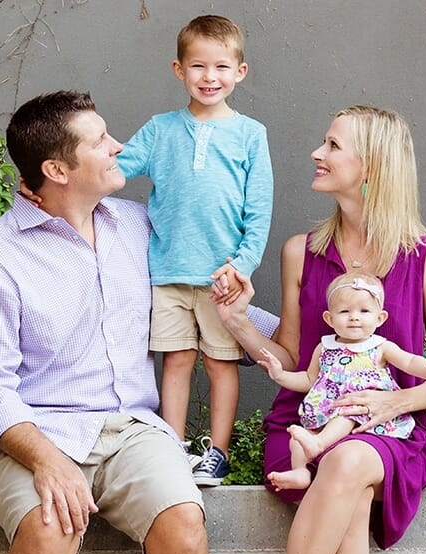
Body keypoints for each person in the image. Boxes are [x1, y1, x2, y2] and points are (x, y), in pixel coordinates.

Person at [0, 91, 209, 554]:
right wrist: (47, 459)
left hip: (132, 431)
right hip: (35, 432)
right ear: (57, 169)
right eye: (99, 141)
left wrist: (287, 336)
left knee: (184, 524)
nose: (118, 146)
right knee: (50, 527)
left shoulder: (137, 226)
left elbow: (197, 295)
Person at [213, 105, 426, 554]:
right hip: (304, 428)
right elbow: (289, 357)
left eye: (332, 145)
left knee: (347, 463)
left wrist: (392, 403)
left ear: (371, 165)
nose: (316, 153)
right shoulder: (299, 251)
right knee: (348, 486)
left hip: (393, 430)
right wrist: (237, 319)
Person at [117, 15, 274, 486]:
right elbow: (119, 166)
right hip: (166, 272)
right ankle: (172, 447)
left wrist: (241, 265)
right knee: (177, 361)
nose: (210, 77)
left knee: (221, 363)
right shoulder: (160, 129)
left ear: (240, 72)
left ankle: (217, 454)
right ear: (178, 69)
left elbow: (258, 208)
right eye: (198, 66)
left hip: (221, 279)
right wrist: (84, 156)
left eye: (222, 67)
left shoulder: (250, 133)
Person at [258, 271, 426, 491]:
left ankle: (320, 444)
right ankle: (300, 471)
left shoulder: (380, 346)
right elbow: (308, 379)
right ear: (329, 318)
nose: (354, 317)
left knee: (348, 414)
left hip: (361, 411)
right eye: (344, 311)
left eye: (364, 311)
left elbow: (409, 362)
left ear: (380, 318)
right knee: (297, 439)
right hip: (327, 413)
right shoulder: (324, 347)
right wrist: (280, 375)